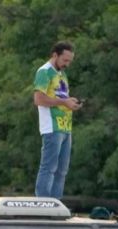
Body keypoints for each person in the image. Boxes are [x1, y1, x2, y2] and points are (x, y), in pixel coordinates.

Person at [33, 41, 81, 198]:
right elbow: (39, 99)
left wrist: (70, 102)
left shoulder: (61, 74)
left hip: (65, 126)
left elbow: (60, 97)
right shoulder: (44, 72)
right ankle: (43, 203)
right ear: (55, 55)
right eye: (65, 60)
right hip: (52, 126)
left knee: (62, 170)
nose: (67, 64)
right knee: (49, 167)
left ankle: (56, 203)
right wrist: (63, 102)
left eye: (69, 61)